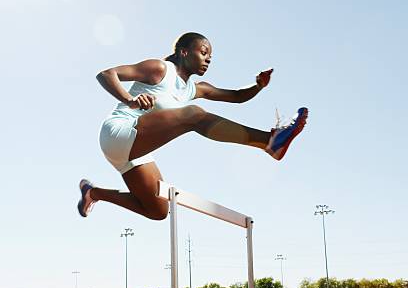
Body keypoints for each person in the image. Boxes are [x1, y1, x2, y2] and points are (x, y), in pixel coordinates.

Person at [78, 32, 308, 221]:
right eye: (203, 52)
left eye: (211, 57)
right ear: (184, 52)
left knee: (158, 210)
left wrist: (258, 86)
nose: (208, 59)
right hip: (118, 131)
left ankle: (93, 193)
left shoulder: (194, 89)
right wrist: (130, 99)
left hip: (136, 151)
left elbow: (236, 96)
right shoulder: (160, 69)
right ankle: (269, 141)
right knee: (193, 115)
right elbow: (107, 74)